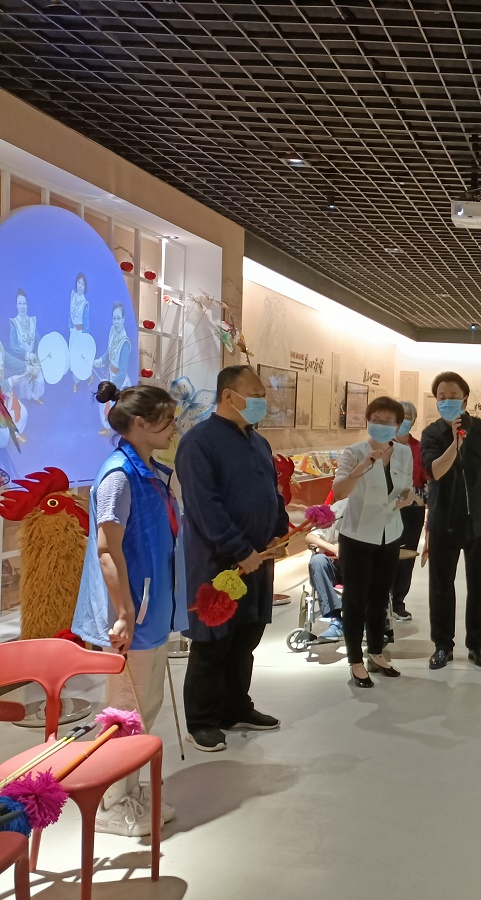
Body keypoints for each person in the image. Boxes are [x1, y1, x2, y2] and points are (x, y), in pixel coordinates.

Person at [72, 381, 183, 836]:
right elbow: (106, 549)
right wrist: (122, 611)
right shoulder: (119, 475)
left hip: (150, 608)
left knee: (145, 705)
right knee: (124, 710)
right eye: (168, 421)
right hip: (130, 613)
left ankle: (128, 789)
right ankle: (110, 803)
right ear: (140, 422)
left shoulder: (151, 470)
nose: (174, 429)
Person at [177, 365, 289, 752]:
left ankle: (236, 707)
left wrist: (279, 531)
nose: (262, 402)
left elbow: (272, 493)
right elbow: (204, 507)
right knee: (213, 644)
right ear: (229, 395)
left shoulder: (258, 442)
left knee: (246, 638)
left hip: (259, 559)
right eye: (255, 394)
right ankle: (201, 721)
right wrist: (240, 549)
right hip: (218, 562)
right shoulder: (199, 442)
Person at [421, 372, 481, 670]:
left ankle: (478, 645)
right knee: (441, 587)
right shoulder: (432, 434)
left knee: (479, 586)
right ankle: (442, 646)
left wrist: (476, 494)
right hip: (443, 520)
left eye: (453, 397)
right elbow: (434, 471)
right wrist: (455, 443)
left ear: (465, 399)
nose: (447, 401)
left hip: (479, 523)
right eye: (441, 397)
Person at [333, 396, 414, 688]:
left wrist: (407, 497)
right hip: (358, 535)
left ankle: (376, 653)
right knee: (355, 599)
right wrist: (362, 467)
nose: (381, 425)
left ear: (398, 425)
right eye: (376, 420)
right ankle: (355, 660)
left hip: (390, 533)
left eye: (388, 421)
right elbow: (339, 491)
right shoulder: (354, 452)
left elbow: (407, 487)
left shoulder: (403, 452)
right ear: (367, 421)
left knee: (381, 598)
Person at [387, 400, 426, 634]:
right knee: (386, 551)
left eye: (409, 417)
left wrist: (420, 499)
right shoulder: (384, 445)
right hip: (386, 506)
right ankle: (382, 597)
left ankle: (399, 600)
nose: (404, 420)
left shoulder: (419, 448)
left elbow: (426, 478)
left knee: (408, 552)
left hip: (413, 507)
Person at [304, 499, 346, 642]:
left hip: (358, 566)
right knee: (317, 561)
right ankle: (335, 619)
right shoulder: (338, 508)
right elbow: (309, 536)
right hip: (334, 564)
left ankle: (364, 620)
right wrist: (334, 548)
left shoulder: (374, 510)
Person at [95, 303, 132, 434]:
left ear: (123, 319)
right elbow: (108, 353)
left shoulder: (125, 343)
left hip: (120, 382)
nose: (116, 322)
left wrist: (112, 388)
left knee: (116, 408)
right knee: (103, 403)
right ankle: (107, 428)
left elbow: (122, 372)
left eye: (118, 318)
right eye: (114, 318)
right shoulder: (112, 331)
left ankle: (114, 431)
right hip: (111, 376)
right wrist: (99, 361)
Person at [6, 289, 43, 403]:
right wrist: (27, 355)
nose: (22, 306)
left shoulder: (32, 321)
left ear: (27, 305)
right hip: (21, 361)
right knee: (24, 388)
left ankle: (36, 396)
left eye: (24, 303)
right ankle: (26, 399)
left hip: (33, 360)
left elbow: (38, 340)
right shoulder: (14, 322)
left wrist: (42, 351)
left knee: (40, 381)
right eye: (20, 303)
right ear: (16, 305)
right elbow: (13, 346)